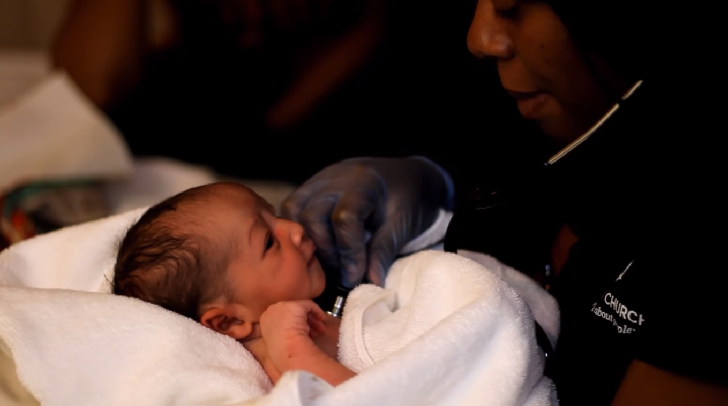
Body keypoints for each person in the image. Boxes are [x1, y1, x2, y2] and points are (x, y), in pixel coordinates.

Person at [279, 0, 728, 405]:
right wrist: (438, 180)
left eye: (511, 5)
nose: (480, 39)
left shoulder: (689, 256)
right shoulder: (537, 104)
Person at [112, 182, 355, 387]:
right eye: (269, 242)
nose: (296, 229)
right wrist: (293, 347)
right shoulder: (278, 354)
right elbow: (358, 396)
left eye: (275, 214)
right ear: (230, 321)